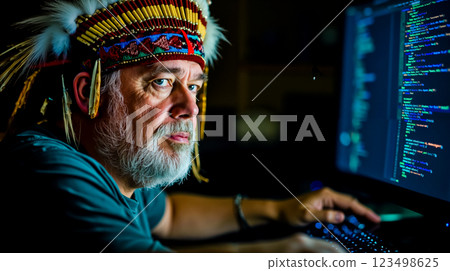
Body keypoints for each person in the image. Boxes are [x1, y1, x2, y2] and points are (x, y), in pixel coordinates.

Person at [0, 0, 380, 252]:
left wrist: (280, 211)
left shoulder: (113, 163)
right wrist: (282, 252)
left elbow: (171, 216)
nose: (191, 107)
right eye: (161, 82)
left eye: (194, 86)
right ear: (88, 93)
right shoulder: (48, 169)